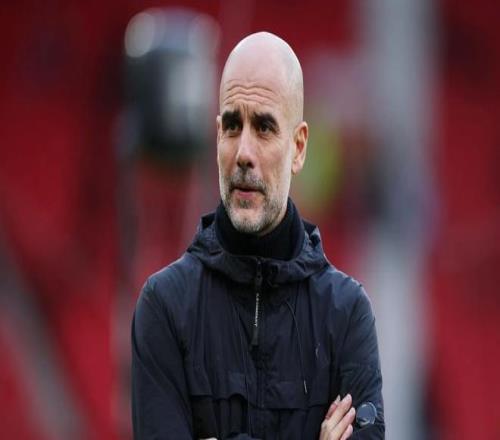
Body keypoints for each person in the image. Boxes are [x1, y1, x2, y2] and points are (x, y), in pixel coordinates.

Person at [132, 32, 384, 440]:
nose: (243, 153)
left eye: (264, 127)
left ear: (298, 148)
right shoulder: (164, 307)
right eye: (233, 126)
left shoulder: (346, 314)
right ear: (217, 136)